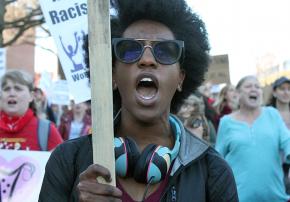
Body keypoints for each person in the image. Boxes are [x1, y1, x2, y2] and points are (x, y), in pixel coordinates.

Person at [39, 0, 238, 201]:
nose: (147, 59)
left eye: (165, 51)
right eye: (130, 49)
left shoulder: (213, 171)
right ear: (113, 75)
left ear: (181, 78)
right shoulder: (67, 161)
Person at [215, 75, 290, 202]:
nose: (254, 89)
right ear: (238, 94)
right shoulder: (226, 122)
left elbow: (287, 141)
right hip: (239, 197)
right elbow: (218, 160)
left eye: (257, 86)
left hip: (275, 196)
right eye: (248, 86)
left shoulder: (272, 114)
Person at [0, 69, 63, 151]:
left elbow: (63, 163)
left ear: (31, 96)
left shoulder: (47, 130)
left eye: (18, 89)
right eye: (6, 89)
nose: (11, 93)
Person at [267, 76, 290, 194]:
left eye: (289, 89)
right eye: (282, 89)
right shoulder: (265, 114)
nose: (286, 92)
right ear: (274, 92)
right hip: (272, 165)